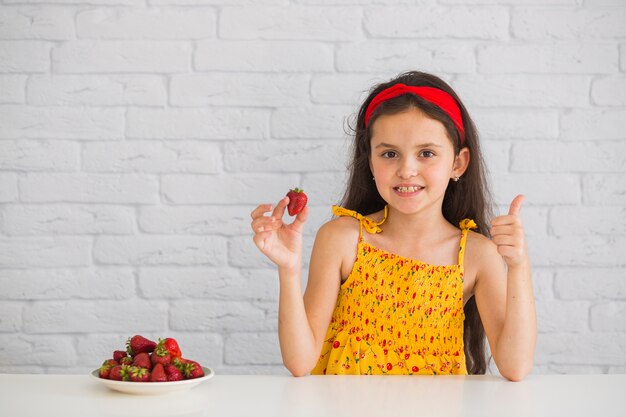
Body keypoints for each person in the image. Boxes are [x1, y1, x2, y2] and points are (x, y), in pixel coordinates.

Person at [250, 71, 536, 381]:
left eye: (426, 153)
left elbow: (515, 366)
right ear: (371, 162)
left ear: (458, 163)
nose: (406, 169)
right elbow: (300, 362)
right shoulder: (342, 239)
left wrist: (519, 266)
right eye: (389, 154)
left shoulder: (477, 255)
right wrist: (288, 269)